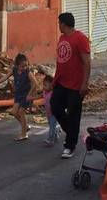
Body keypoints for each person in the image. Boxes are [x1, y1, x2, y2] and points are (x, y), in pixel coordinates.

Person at [51, 12, 91, 159]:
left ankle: (70, 145)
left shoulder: (80, 38)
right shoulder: (62, 38)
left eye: (59, 23)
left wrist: (84, 83)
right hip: (61, 82)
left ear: (64, 24)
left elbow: (87, 62)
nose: (58, 26)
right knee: (55, 106)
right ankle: (72, 133)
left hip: (75, 85)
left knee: (73, 114)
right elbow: (61, 61)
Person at [9, 53, 38, 141]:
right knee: (14, 112)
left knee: (21, 111)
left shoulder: (27, 72)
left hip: (26, 95)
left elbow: (35, 83)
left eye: (26, 65)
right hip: (19, 95)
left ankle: (24, 134)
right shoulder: (14, 70)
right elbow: (5, 77)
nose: (24, 68)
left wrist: (30, 94)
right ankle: (25, 126)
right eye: (22, 66)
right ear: (17, 65)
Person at [42, 75, 59, 147]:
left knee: (52, 126)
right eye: (43, 85)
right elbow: (41, 97)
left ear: (52, 86)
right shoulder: (44, 92)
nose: (44, 87)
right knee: (51, 125)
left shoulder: (53, 93)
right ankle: (55, 136)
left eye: (45, 85)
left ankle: (50, 140)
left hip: (54, 113)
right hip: (48, 113)